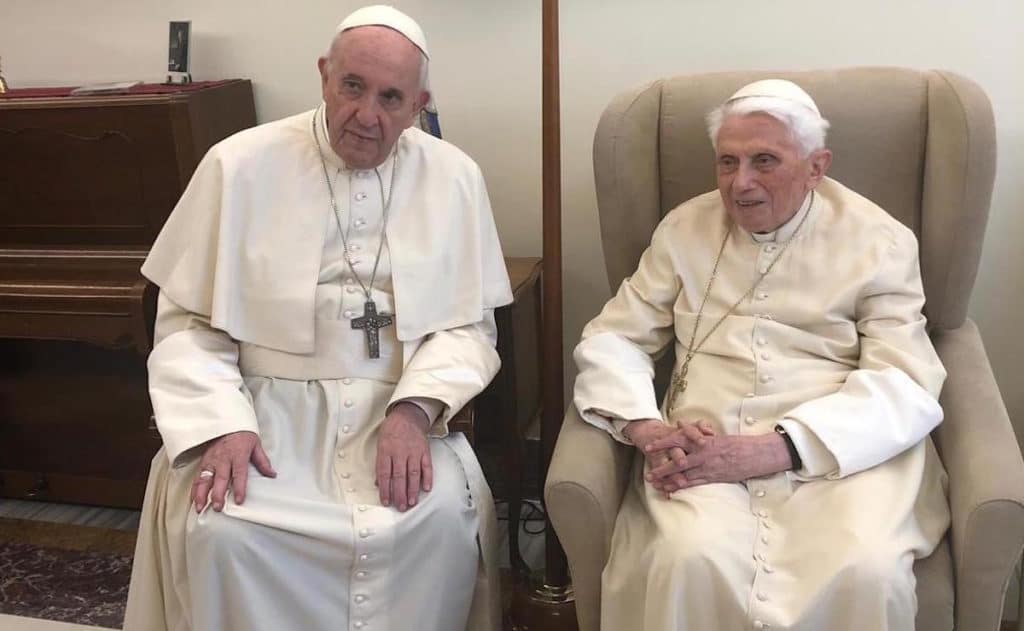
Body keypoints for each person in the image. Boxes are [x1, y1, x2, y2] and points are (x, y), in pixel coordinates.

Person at [124, 6, 511, 631]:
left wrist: (416, 410)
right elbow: (187, 326)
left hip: (400, 404)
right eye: (352, 87)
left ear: (420, 104)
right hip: (263, 409)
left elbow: (468, 327)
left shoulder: (455, 177)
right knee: (225, 532)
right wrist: (223, 424)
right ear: (324, 75)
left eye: (391, 98)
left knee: (438, 520)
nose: (367, 116)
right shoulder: (237, 164)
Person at [572, 79, 949, 630]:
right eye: (727, 162)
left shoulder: (880, 240)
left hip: (841, 457)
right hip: (703, 451)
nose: (739, 184)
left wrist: (784, 448)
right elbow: (614, 337)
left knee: (866, 570)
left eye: (764, 161)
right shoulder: (684, 229)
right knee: (687, 558)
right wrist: (645, 428)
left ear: (816, 167)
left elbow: (906, 379)